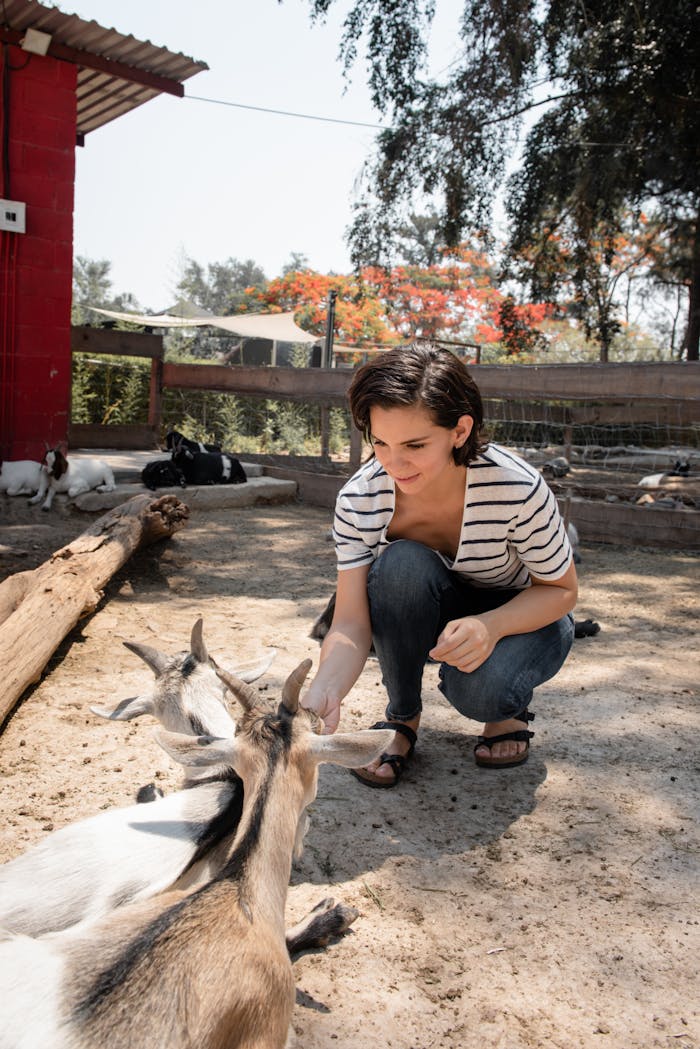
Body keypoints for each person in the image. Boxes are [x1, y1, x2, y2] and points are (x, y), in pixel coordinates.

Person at [301, 342, 577, 786]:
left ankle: (506, 713)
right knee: (400, 565)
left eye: (415, 444)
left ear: (460, 431)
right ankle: (402, 717)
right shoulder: (359, 498)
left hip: (527, 611)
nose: (394, 463)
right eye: (380, 442)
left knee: (482, 692)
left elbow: (562, 590)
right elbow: (350, 622)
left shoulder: (517, 487)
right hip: (437, 608)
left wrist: (492, 626)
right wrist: (323, 690)